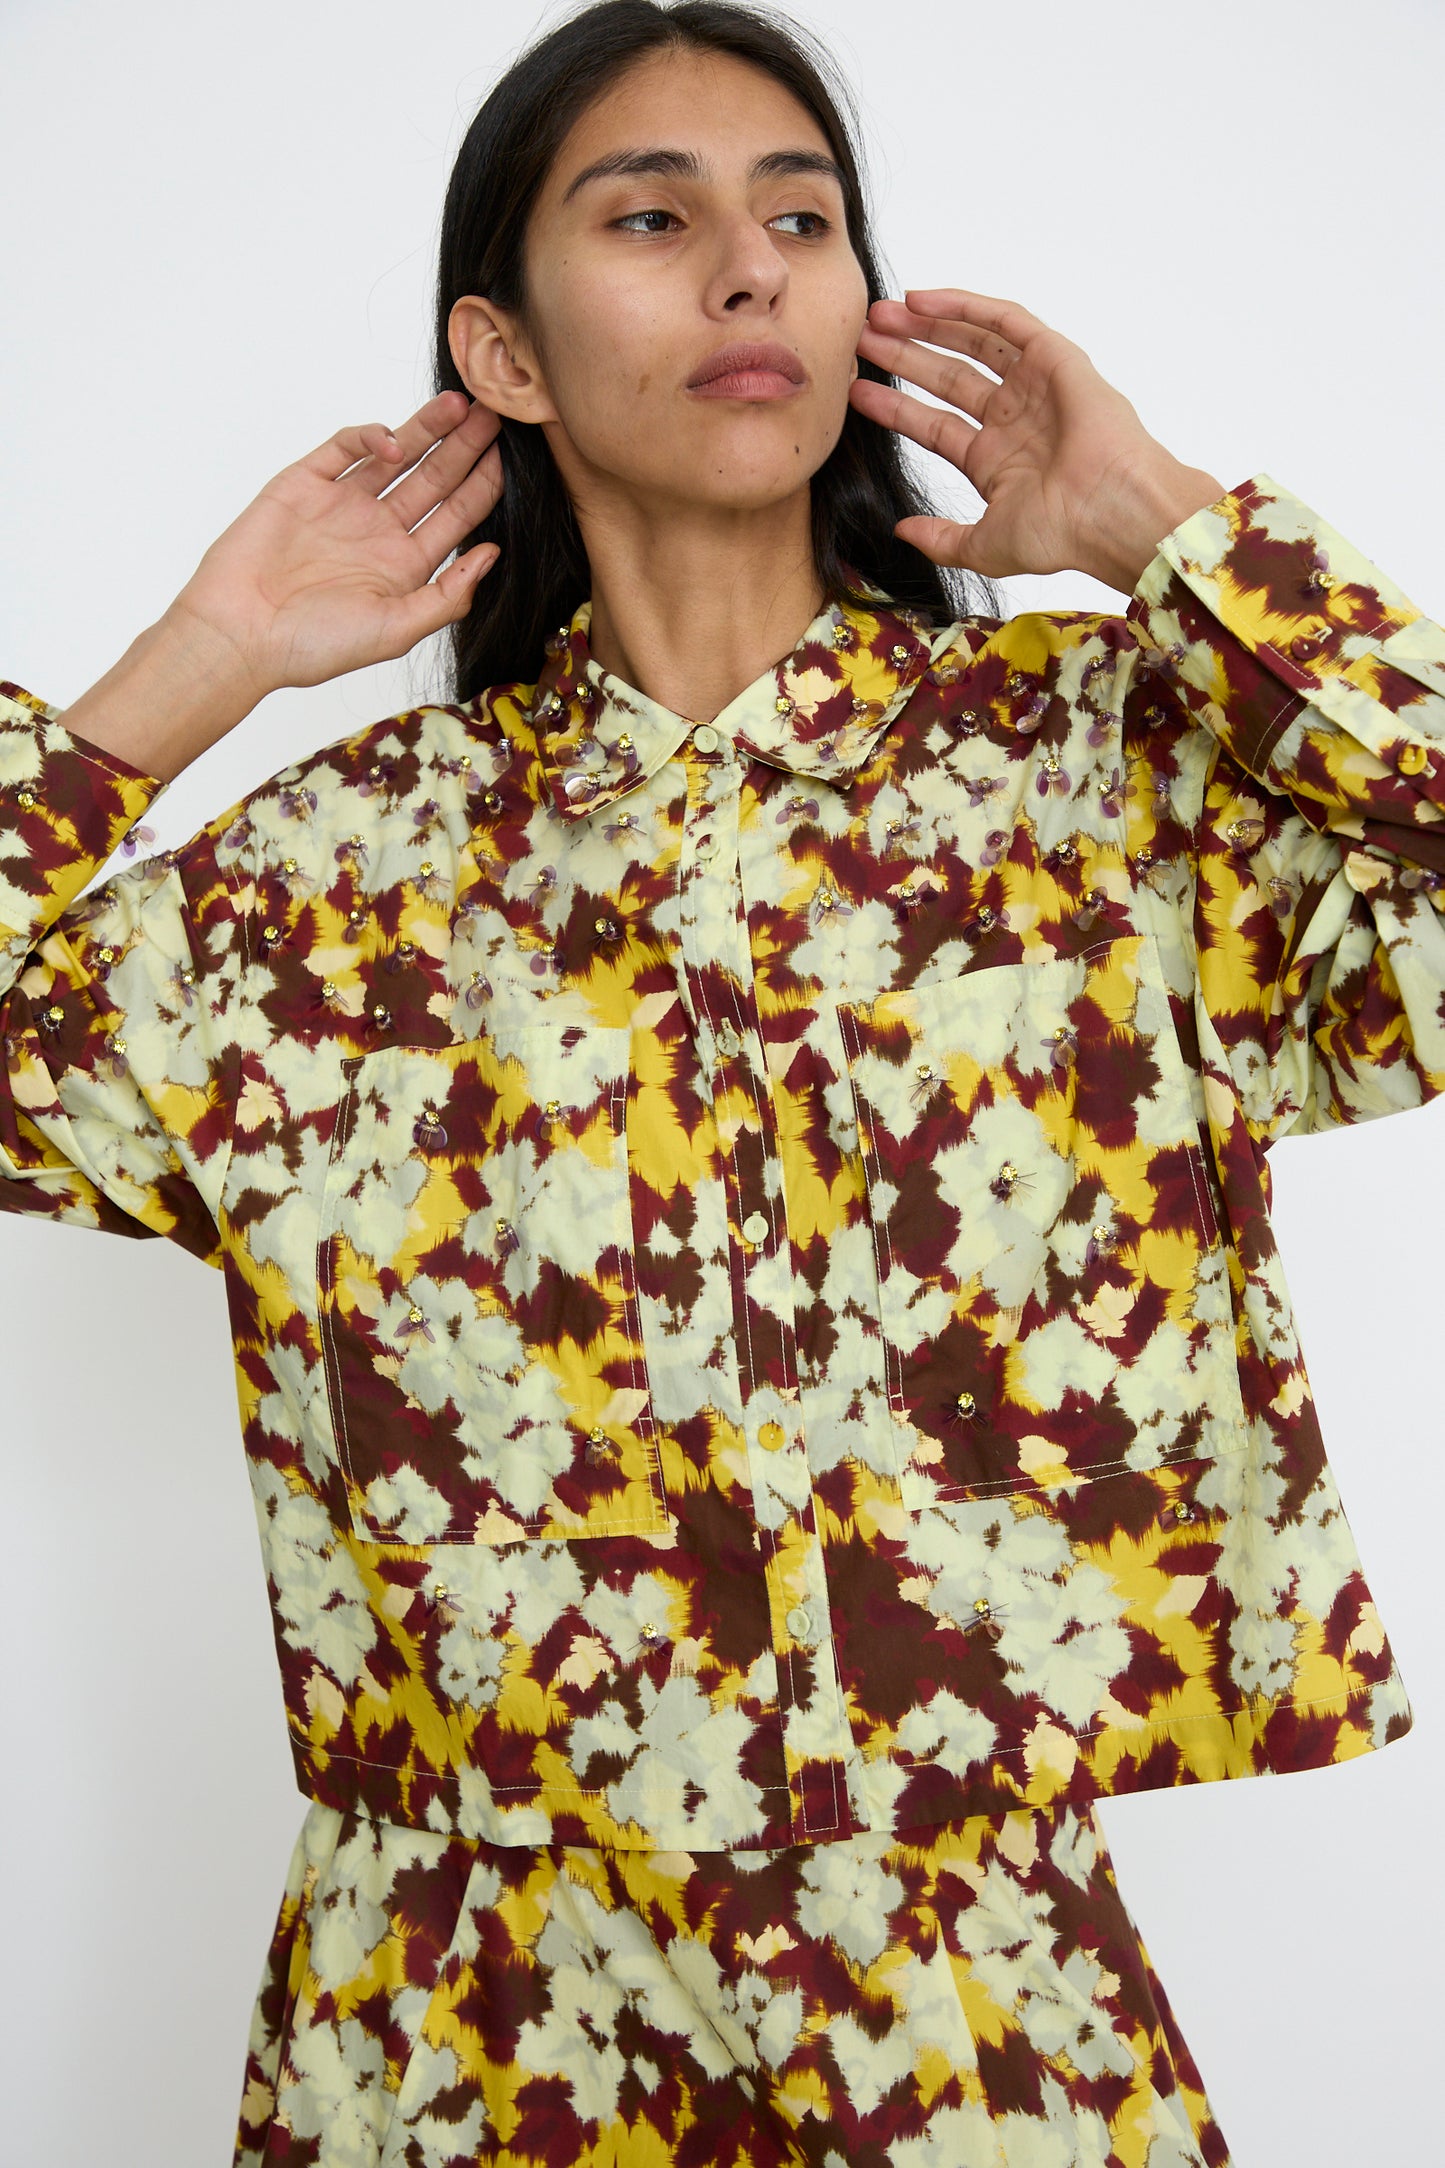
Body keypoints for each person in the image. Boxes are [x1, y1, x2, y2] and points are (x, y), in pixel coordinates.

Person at [3, 0, 1440, 2160]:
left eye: (801, 216)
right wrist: (197, 665)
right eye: (653, 218)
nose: (750, 269)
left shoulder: (1097, 780)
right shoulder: (330, 892)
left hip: (967, 1983)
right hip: (458, 2014)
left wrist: (1157, 516)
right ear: (502, 352)